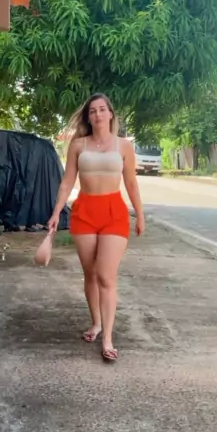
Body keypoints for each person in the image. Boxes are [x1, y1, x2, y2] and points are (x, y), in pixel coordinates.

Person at [48, 94, 145, 362]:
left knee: (106, 276)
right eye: (93, 111)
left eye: (102, 110)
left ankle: (108, 338)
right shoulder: (78, 145)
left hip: (114, 212)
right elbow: (67, 182)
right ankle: (97, 323)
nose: (98, 115)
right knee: (90, 274)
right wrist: (56, 213)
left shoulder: (124, 146)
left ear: (111, 114)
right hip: (85, 212)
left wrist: (140, 214)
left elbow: (131, 183)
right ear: (88, 117)